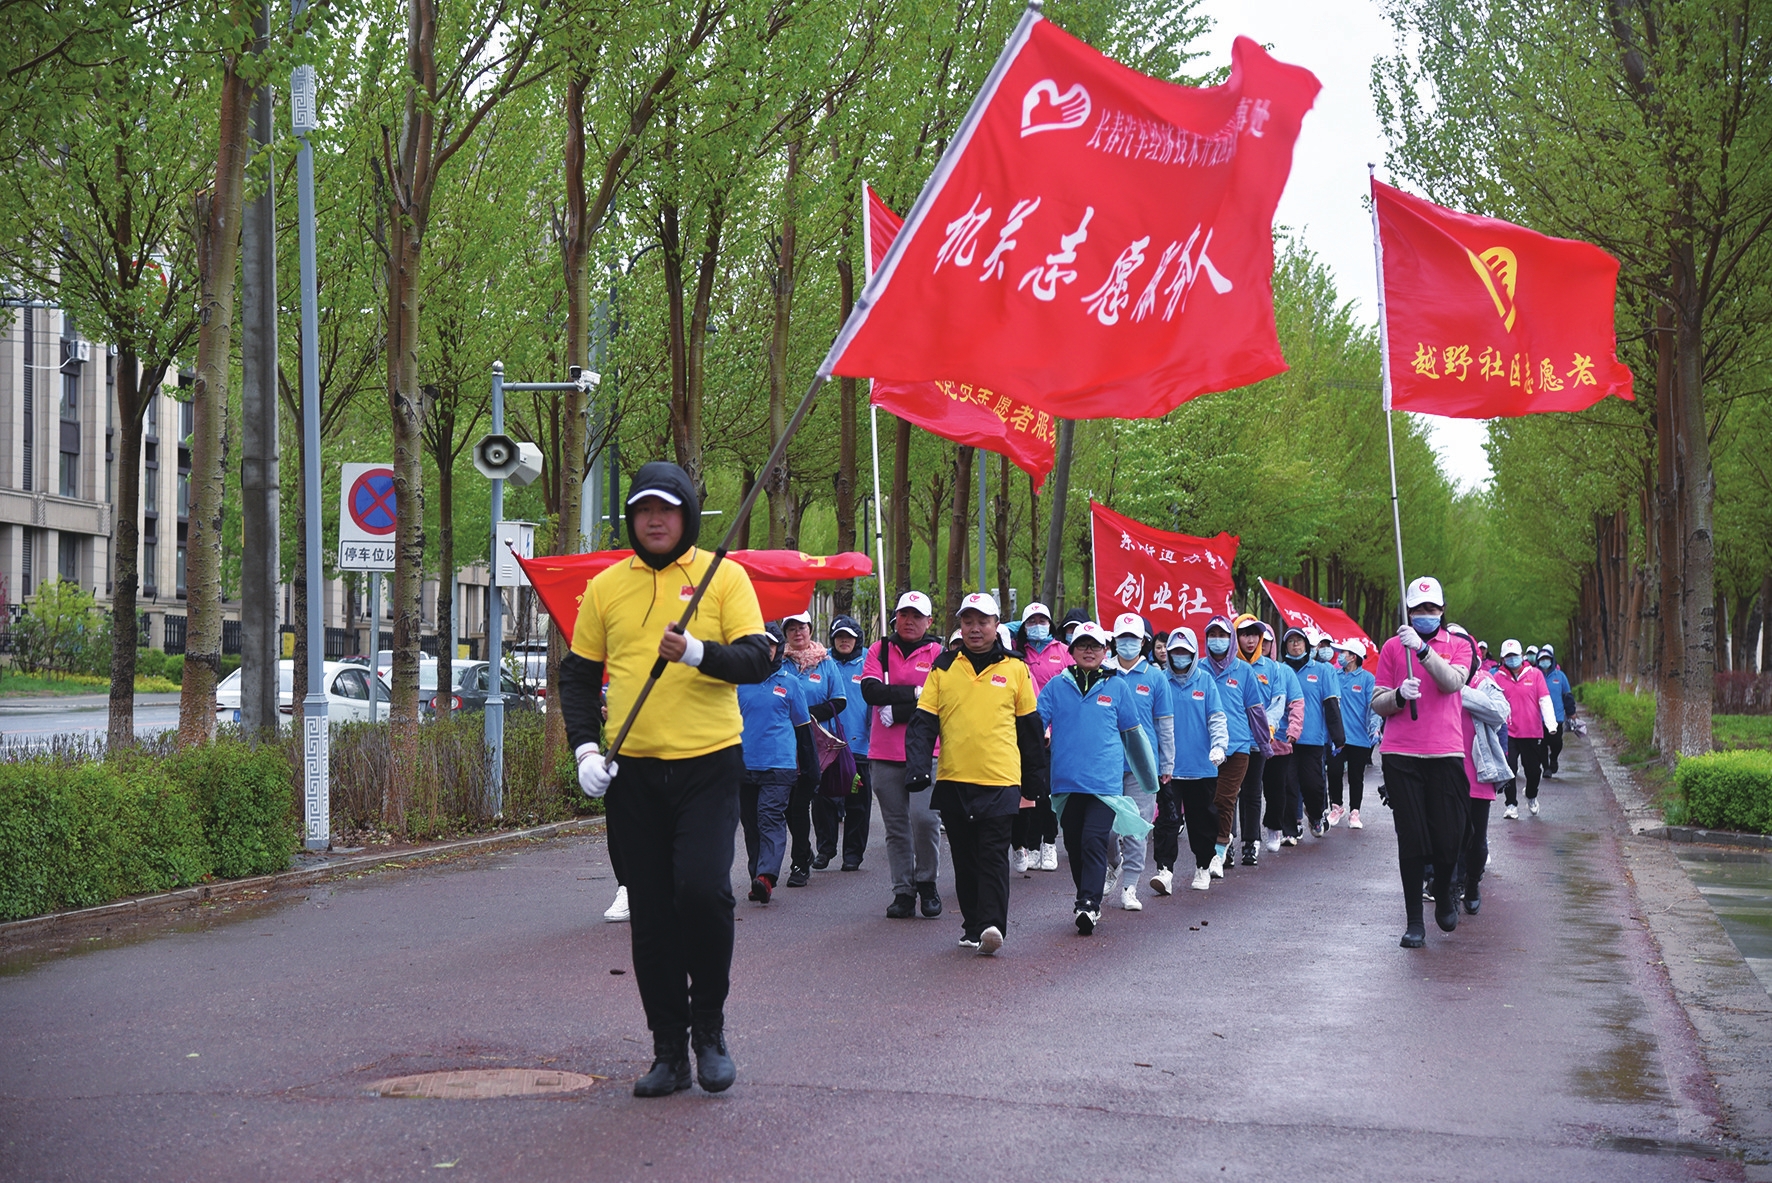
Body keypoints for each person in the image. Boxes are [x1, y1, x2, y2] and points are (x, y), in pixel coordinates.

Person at [558, 460, 773, 1096]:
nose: (656, 519)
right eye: (645, 509)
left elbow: (759, 660)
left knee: (703, 893)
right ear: (631, 517)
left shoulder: (723, 577)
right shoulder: (605, 587)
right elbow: (577, 675)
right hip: (633, 774)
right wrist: (583, 752)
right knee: (650, 912)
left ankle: (709, 1031)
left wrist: (698, 653)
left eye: (668, 509)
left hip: (709, 764)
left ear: (686, 515)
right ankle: (668, 1052)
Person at [904, 593, 1048, 955]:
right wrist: (919, 769)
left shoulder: (1016, 669)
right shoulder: (943, 667)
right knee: (965, 858)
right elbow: (922, 725)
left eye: (982, 622)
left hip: (1000, 780)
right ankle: (972, 925)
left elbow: (1030, 730)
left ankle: (993, 925)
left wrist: (1035, 782)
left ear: (996, 625)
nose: (975, 628)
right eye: (968, 622)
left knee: (993, 853)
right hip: (954, 779)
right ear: (960, 626)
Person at [1370, 575, 1479, 948]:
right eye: (1417, 610)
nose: (1424, 615)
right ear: (1408, 611)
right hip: (1400, 753)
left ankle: (1446, 888)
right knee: (1412, 839)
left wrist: (1423, 652)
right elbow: (1378, 699)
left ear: (1442, 610)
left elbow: (1452, 683)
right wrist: (1398, 696)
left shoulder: (1460, 646)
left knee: (1451, 837)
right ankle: (1414, 920)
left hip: (1445, 752)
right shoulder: (1390, 648)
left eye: (1431, 609)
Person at [1038, 622, 1158, 934]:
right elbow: (1035, 726)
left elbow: (1133, 735)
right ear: (1072, 651)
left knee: (1094, 839)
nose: (1089, 650)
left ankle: (1089, 905)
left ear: (1106, 652)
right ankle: (1085, 897)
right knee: (1076, 845)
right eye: (1082, 645)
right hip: (1066, 783)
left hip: (1105, 785)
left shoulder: (1117, 687)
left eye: (1095, 646)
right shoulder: (1056, 686)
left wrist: (1149, 778)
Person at [859, 591, 947, 921]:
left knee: (925, 821)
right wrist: (913, 692)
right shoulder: (879, 650)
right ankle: (903, 890)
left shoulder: (938, 654)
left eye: (916, 615)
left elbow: (939, 702)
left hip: (926, 752)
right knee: (896, 827)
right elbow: (870, 691)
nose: (909, 621)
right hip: (884, 753)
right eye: (903, 615)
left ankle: (927, 881)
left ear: (929, 621)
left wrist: (897, 709)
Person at [735, 624, 816, 905]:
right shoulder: (738, 683)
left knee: (769, 818)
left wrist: (811, 768)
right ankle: (757, 876)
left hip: (779, 765)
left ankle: (766, 877)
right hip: (744, 765)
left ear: (778, 649)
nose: (763, 650)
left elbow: (803, 728)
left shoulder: (790, 683)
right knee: (751, 824)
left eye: (768, 645)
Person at [1102, 613, 1172, 911]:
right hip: (1105, 762)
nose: (1128, 643)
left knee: (1137, 828)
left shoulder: (1155, 677)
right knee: (1104, 828)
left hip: (1142, 765)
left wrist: (1167, 763)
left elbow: (1164, 724)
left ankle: (1130, 886)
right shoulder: (1103, 673)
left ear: (1144, 642)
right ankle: (1112, 864)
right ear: (1114, 641)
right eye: (1122, 638)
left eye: (1133, 638)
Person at [1153, 627, 1228, 893]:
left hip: (1201, 767)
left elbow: (1217, 718)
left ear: (1194, 654)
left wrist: (1219, 745)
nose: (1180, 657)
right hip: (1169, 768)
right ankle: (1165, 870)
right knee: (1167, 820)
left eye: (1185, 652)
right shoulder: (1160, 681)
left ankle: (1203, 866)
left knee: (1202, 820)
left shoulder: (1206, 682)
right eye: (1175, 652)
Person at [778, 611, 845, 885]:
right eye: (791, 628)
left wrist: (806, 713)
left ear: (810, 629)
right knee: (787, 806)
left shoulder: (826, 663)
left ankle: (800, 863)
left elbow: (839, 701)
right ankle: (804, 851)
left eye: (802, 627)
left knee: (803, 802)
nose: (797, 633)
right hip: (783, 742)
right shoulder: (778, 663)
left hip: (814, 743)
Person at [1451, 626, 1512, 916]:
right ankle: (1451, 886)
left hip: (1477, 770)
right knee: (1448, 835)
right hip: (1444, 769)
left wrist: (1460, 690)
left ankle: (1473, 882)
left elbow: (1500, 712)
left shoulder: (1484, 681)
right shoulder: (1434, 678)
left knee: (1476, 838)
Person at [1012, 602, 1071, 872]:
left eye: (1043, 620)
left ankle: (1049, 843)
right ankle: (1032, 845)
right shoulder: (1016, 653)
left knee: (1047, 791)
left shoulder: (1063, 651)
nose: (1038, 625)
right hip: (1024, 730)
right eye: (1032, 620)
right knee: (1030, 791)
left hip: (1058, 732)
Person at [813, 615, 872, 871]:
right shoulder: (822, 661)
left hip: (859, 745)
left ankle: (852, 854)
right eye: (839, 637)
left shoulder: (869, 660)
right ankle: (825, 849)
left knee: (857, 802)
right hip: (828, 745)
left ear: (857, 639)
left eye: (848, 637)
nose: (844, 641)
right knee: (823, 799)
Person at [1217, 615, 1272, 868]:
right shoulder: (1216, 668)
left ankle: (1251, 843)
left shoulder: (1269, 668)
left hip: (1252, 743)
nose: (1250, 640)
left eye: (1254, 635)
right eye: (1244, 634)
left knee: (1252, 793)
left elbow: (1259, 710)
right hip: (1223, 745)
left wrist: (1265, 740)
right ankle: (1227, 841)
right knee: (1228, 796)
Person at [1281, 627, 1345, 838]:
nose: (1295, 645)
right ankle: (1290, 829)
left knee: (1313, 785)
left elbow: (1331, 704)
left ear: (1307, 645)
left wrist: (1338, 737)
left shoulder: (1322, 670)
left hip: (1312, 739)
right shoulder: (1279, 670)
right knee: (1288, 785)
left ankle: (1316, 814)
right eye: (1291, 641)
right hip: (1285, 738)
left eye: (1299, 641)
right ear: (1285, 646)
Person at [1245, 618, 1302, 853]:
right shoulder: (1242, 668)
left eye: (1267, 641)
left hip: (1277, 741)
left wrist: (1293, 730)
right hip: (1248, 743)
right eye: (1261, 641)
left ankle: (1274, 827)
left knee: (1276, 789)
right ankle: (1249, 837)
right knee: (1250, 791)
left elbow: (1296, 703)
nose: (1263, 645)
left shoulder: (1283, 671)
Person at [1494, 638, 1558, 818]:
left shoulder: (1535, 674)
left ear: (1522, 656)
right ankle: (1511, 804)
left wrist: (1551, 724)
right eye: (1508, 656)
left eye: (1515, 655)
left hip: (1532, 731)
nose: (1512, 659)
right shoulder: (1498, 677)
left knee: (1533, 771)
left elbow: (1544, 699)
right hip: (1508, 732)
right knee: (1509, 768)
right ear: (1502, 658)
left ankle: (1531, 795)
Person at [1327, 640, 1375, 829]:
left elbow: (1373, 706)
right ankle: (1336, 806)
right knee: (1334, 772)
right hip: (1337, 737)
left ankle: (1355, 812)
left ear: (1353, 656)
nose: (1339, 655)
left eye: (1343, 652)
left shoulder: (1367, 679)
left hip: (1359, 737)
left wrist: (1375, 728)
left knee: (1356, 776)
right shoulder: (1333, 675)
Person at [1537, 645, 1575, 777]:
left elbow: (1567, 695)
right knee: (1541, 744)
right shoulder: (1535, 675)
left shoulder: (1560, 676)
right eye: (1542, 659)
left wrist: (1571, 712)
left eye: (1547, 658)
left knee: (1556, 743)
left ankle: (1553, 758)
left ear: (1552, 660)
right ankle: (1546, 767)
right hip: (1538, 718)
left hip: (1556, 717)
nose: (1545, 661)